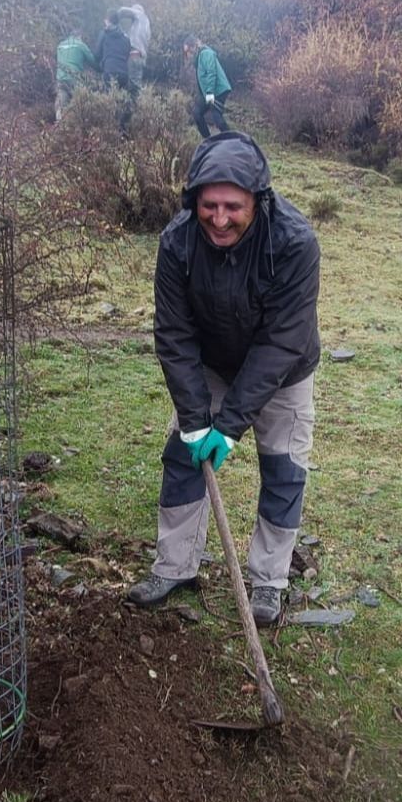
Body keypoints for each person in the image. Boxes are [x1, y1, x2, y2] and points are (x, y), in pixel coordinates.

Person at [126, 132, 321, 628]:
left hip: (283, 371)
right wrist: (196, 421)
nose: (219, 218)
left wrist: (230, 425)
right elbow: (173, 333)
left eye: (232, 206)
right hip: (211, 363)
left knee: (283, 471)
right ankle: (174, 567)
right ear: (194, 201)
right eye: (208, 205)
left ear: (257, 200)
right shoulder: (177, 241)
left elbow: (281, 342)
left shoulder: (295, 243)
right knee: (183, 457)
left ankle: (269, 582)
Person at [184, 36, 232, 138]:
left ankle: (232, 139)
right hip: (208, 92)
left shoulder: (206, 53)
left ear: (193, 47)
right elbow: (202, 79)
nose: (187, 55)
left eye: (188, 51)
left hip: (219, 90)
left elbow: (211, 73)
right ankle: (208, 140)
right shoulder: (198, 58)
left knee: (216, 116)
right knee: (196, 112)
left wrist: (210, 92)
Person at [54, 25, 96, 122]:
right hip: (74, 79)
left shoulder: (60, 45)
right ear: (79, 36)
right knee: (79, 101)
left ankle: (59, 123)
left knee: (61, 101)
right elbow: (93, 61)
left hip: (61, 78)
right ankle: (77, 123)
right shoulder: (80, 45)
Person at [93, 11, 134, 96]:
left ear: (107, 20)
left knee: (109, 100)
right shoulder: (125, 38)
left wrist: (101, 65)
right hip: (123, 74)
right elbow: (127, 55)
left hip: (109, 71)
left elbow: (97, 55)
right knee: (121, 100)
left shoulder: (104, 34)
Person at [117, 4, 150, 90]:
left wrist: (114, 16)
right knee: (134, 83)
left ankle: (139, 102)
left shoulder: (141, 16)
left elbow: (123, 10)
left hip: (134, 56)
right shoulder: (143, 26)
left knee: (134, 88)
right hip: (140, 58)